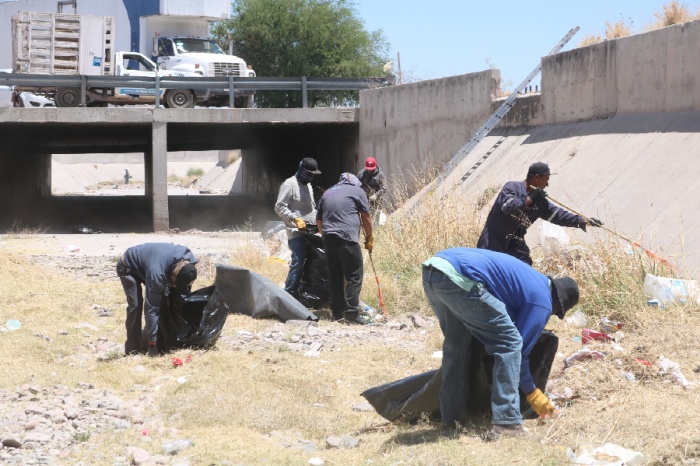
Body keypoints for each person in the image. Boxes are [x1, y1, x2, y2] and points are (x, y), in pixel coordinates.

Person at [421, 248, 579, 439]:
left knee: (457, 347)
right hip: (462, 279)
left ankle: (451, 419)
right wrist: (532, 392)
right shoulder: (543, 301)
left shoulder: (531, 280)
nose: (550, 315)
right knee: (509, 344)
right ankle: (506, 422)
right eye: (555, 313)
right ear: (558, 305)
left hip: (434, 271)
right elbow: (518, 350)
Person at [477, 162, 603, 265]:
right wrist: (531, 198)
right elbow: (509, 207)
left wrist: (584, 221)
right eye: (546, 180)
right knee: (488, 273)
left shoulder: (540, 202)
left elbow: (559, 215)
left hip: (515, 244)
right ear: (536, 178)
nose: (547, 185)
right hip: (492, 241)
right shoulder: (511, 187)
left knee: (525, 269)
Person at [117, 243, 198, 357]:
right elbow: (152, 308)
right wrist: (152, 344)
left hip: (153, 263)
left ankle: (168, 343)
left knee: (165, 300)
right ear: (171, 276)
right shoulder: (158, 275)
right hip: (129, 266)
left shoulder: (189, 261)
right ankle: (133, 349)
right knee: (136, 306)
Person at [316, 173, 373, 322]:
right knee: (354, 275)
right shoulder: (357, 191)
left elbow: (319, 220)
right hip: (347, 239)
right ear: (354, 183)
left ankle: (337, 313)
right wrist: (369, 237)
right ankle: (352, 314)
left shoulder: (327, 192)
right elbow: (366, 217)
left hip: (328, 239)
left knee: (335, 277)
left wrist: (325, 236)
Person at [274, 157, 322, 299]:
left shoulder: (308, 185)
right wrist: (294, 219)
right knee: (299, 259)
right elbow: (279, 207)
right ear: (301, 170)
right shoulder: (289, 185)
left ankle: (307, 292)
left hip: (309, 231)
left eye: (313, 175)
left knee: (313, 261)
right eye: (308, 174)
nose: (310, 177)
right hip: (295, 231)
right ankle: (290, 294)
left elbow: (311, 207)